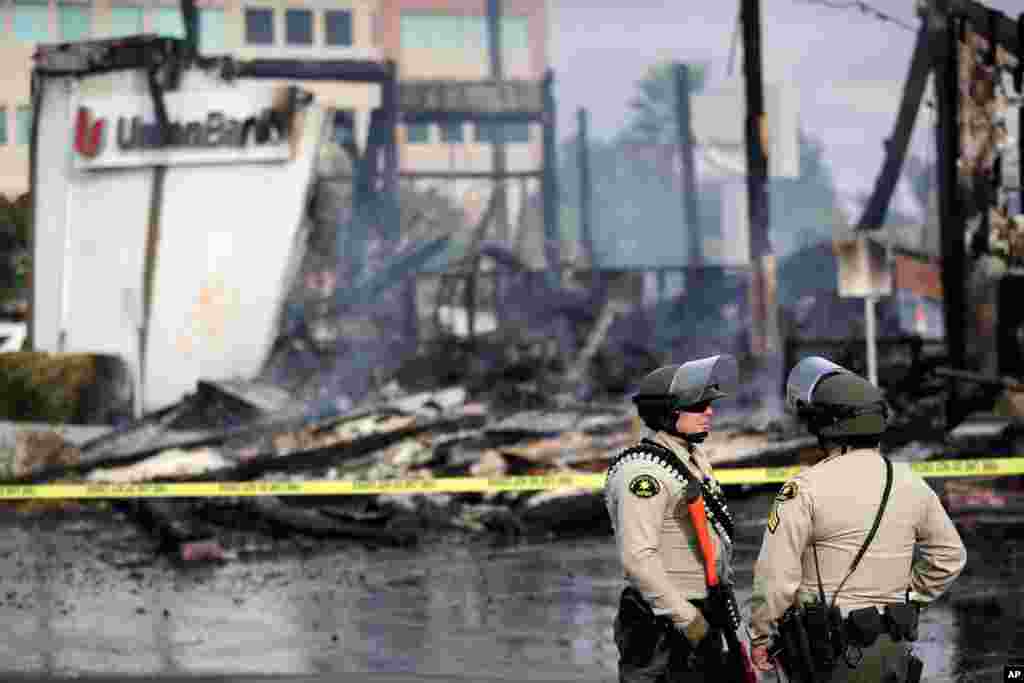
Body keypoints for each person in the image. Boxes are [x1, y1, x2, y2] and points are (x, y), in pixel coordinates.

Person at [748, 357, 967, 683]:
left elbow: (776, 579)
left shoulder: (803, 489)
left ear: (822, 425)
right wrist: (908, 597)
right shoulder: (908, 482)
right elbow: (950, 557)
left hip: (828, 652)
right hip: (894, 646)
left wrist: (761, 637)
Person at [604, 354, 743, 682]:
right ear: (668, 413)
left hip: (699, 612)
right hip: (664, 626)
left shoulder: (689, 457)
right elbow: (638, 559)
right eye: (698, 406)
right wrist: (689, 621)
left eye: (708, 404)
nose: (709, 412)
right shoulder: (643, 473)